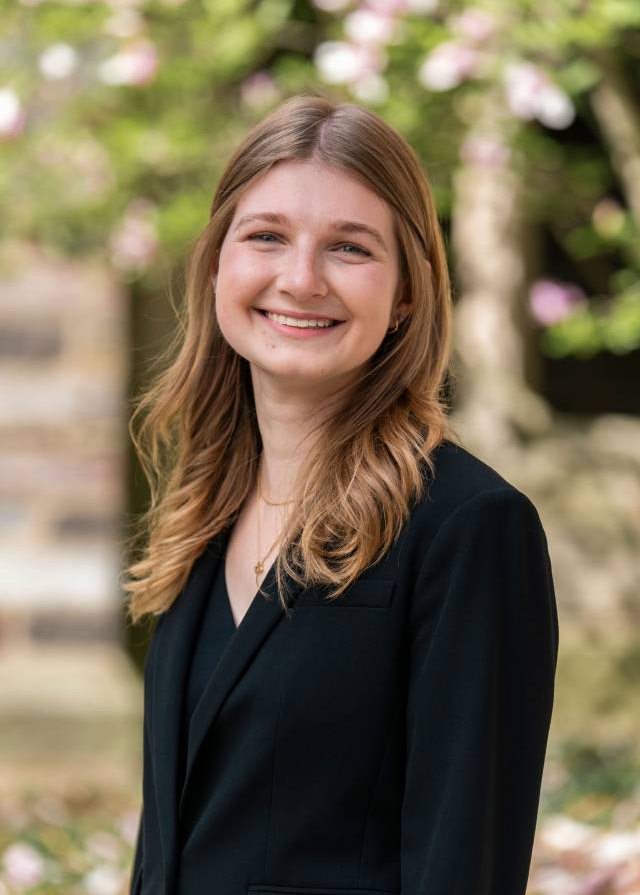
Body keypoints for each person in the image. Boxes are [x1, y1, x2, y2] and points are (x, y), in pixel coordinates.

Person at [123, 93, 559, 895]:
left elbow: (464, 866)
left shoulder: (469, 529)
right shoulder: (203, 512)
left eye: (350, 249)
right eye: (266, 237)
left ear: (406, 296)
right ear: (218, 263)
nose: (301, 279)